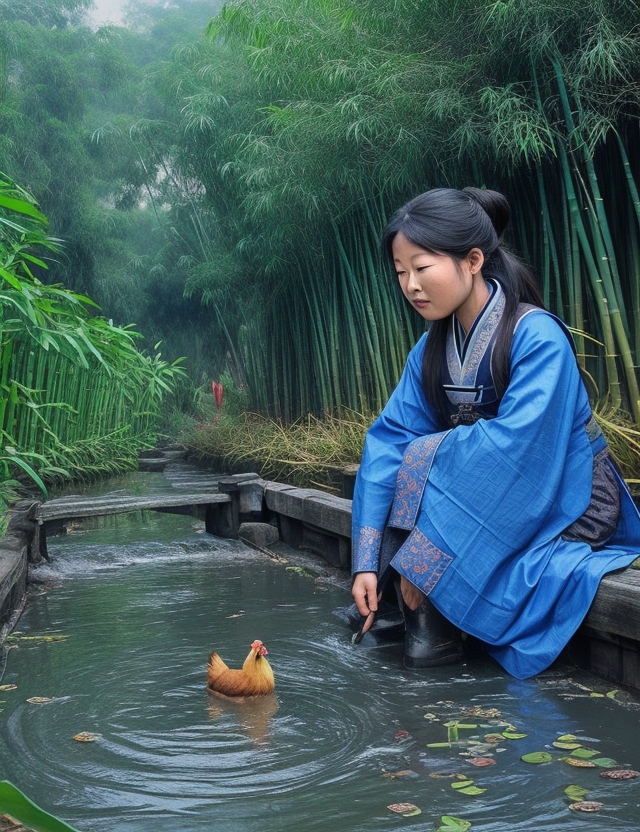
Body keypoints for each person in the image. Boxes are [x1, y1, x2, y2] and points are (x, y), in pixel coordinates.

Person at [350, 186, 640, 680]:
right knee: (403, 461)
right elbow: (388, 442)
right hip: (484, 495)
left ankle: (431, 609)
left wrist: (423, 553)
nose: (410, 285)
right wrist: (365, 561)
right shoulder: (428, 351)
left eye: (422, 268)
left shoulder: (537, 336)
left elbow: (517, 449)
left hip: (568, 497)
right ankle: (404, 603)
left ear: (473, 260)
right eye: (401, 273)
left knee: (423, 460)